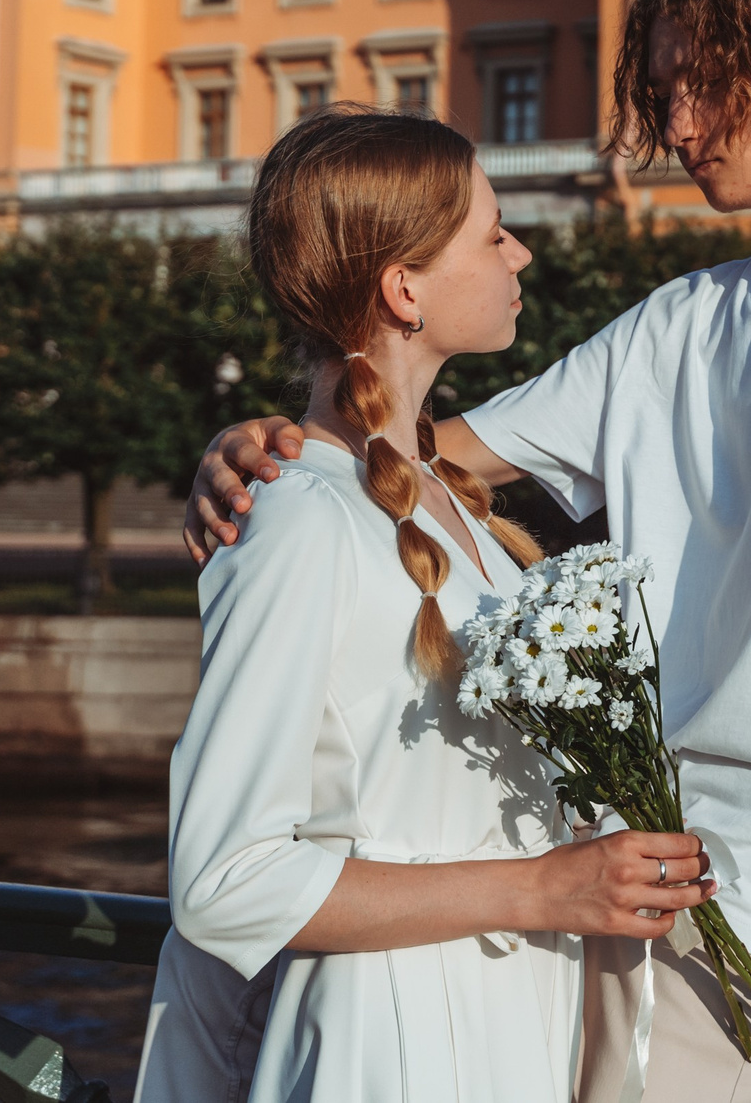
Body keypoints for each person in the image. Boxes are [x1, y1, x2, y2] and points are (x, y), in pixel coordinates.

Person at [184, 0, 751, 1099]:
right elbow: (408, 454)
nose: (678, 125)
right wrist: (262, 443)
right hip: (638, 877)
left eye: (706, 84)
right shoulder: (676, 323)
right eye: (664, 91)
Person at [137, 107, 714, 1103]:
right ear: (404, 287)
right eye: (493, 234)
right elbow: (227, 881)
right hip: (391, 1049)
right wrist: (545, 888)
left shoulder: (445, 502)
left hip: (507, 1029)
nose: (519, 253)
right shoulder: (299, 521)